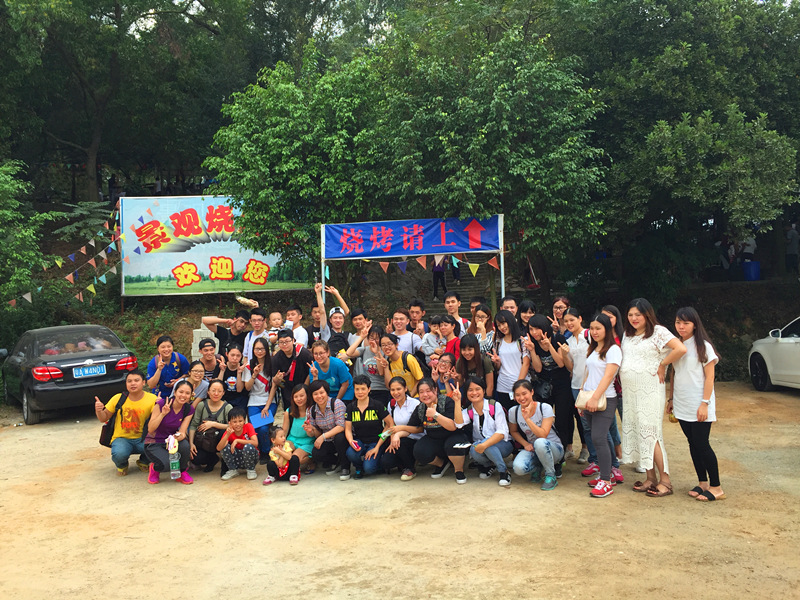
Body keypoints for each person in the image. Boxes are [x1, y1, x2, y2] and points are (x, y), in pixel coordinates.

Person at [620, 298, 687, 497]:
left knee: (651, 434)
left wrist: (663, 364)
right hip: (631, 394)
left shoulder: (658, 332)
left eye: (638, 315)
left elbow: (680, 348)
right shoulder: (627, 335)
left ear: (647, 315)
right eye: (630, 315)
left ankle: (665, 481)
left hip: (649, 392)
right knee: (640, 433)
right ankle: (650, 478)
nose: (633, 318)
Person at [669, 307, 725, 502]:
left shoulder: (704, 346)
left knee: (702, 444)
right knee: (692, 443)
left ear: (695, 324)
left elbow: (710, 377)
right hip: (682, 402)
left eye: (686, 323)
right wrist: (671, 399)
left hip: (699, 402)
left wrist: (704, 403)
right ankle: (703, 482)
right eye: (678, 322)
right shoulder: (677, 345)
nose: (681, 326)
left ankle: (716, 487)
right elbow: (674, 373)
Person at [526, 314, 581, 462]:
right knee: (544, 418)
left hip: (562, 385)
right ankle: (546, 451)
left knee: (562, 419)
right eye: (531, 329)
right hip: (544, 386)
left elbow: (561, 363)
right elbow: (538, 368)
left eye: (537, 328)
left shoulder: (559, 339)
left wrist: (549, 346)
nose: (534, 332)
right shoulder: (533, 343)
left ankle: (561, 453)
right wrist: (532, 350)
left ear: (545, 328)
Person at [579, 313, 623, 498]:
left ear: (607, 329)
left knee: (599, 437)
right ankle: (605, 475)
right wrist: (583, 396)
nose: (595, 332)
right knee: (600, 439)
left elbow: (608, 377)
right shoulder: (593, 348)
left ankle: (606, 481)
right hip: (589, 398)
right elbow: (588, 374)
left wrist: (595, 398)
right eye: (592, 328)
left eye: (599, 328)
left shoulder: (613, 349)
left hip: (605, 400)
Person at [401, 378, 469, 483]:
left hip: (453, 435)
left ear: (435, 390)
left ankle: (458, 470)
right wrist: (397, 433)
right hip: (434, 438)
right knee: (419, 451)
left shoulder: (447, 401)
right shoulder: (421, 408)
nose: (425, 395)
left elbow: (453, 427)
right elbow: (413, 427)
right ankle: (442, 464)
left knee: (453, 445)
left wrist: (435, 415)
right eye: (421, 392)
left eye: (428, 391)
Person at [94, 370, 157, 476]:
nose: (133, 383)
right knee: (119, 454)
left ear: (143, 382)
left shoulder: (152, 399)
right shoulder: (118, 398)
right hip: (122, 438)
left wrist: (160, 406)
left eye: (136, 380)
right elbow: (103, 418)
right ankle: (122, 465)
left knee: (156, 446)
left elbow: (158, 421)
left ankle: (144, 461)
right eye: (129, 381)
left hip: (143, 438)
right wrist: (99, 410)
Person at [509, 379, 563, 491]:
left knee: (540, 442)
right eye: (517, 395)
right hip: (533, 448)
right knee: (518, 468)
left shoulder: (544, 408)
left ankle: (550, 475)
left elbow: (543, 435)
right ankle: (538, 467)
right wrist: (525, 444)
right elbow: (513, 431)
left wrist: (527, 419)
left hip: (554, 448)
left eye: (524, 393)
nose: (521, 398)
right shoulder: (513, 411)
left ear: (532, 392)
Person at [559, 308, 595, 467]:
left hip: (592, 386)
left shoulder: (590, 334)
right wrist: (565, 354)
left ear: (580, 318)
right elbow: (570, 368)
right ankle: (594, 459)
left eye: (571, 320)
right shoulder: (569, 341)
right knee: (586, 424)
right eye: (566, 321)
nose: (568, 323)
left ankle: (607, 459)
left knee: (598, 424)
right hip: (576, 387)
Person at [462, 376, 513, 486]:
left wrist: (484, 444)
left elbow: (501, 433)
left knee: (487, 445)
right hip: (482, 446)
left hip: (503, 444)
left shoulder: (494, 405)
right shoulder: (469, 410)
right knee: (473, 449)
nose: (474, 393)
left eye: (477, 389)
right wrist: (457, 402)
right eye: (470, 390)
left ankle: (503, 471)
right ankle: (490, 465)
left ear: (484, 390)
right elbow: (457, 424)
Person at [144, 380, 195, 485]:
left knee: (185, 445)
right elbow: (150, 429)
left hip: (171, 441)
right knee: (166, 465)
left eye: (187, 393)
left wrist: (174, 438)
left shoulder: (188, 409)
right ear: (175, 392)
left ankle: (182, 471)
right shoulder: (162, 404)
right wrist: (162, 414)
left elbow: (182, 432)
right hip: (155, 441)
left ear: (190, 395)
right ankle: (155, 468)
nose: (183, 395)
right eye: (181, 392)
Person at [344, 375, 394, 479]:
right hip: (360, 441)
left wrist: (377, 446)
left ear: (369, 389)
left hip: (376, 441)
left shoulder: (377, 405)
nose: (360, 392)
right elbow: (347, 429)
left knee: (369, 469)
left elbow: (390, 424)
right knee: (350, 452)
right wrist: (351, 441)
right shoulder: (350, 407)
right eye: (357, 389)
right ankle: (358, 468)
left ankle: (377, 463)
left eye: (363, 389)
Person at [237, 337, 276, 463]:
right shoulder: (249, 366)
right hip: (253, 401)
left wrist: (267, 406)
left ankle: (265, 452)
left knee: (264, 428)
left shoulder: (272, 364)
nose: (259, 351)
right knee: (255, 428)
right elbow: (247, 387)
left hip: (270, 401)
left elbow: (274, 388)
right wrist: (254, 375)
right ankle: (259, 449)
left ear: (267, 350)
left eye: (262, 349)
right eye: (257, 349)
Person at [304, 380, 350, 479]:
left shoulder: (337, 404)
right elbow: (315, 434)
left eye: (321, 392)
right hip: (329, 441)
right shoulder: (312, 410)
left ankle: (345, 467)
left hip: (343, 438)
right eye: (315, 394)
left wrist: (323, 437)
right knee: (316, 453)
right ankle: (337, 461)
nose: (319, 396)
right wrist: (310, 430)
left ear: (327, 392)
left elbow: (341, 426)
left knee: (339, 438)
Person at [380, 377, 422, 480]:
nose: (396, 392)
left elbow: (420, 429)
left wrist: (398, 432)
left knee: (401, 443)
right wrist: (379, 443)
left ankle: (410, 469)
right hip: (397, 438)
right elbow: (390, 425)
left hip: (415, 437)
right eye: (392, 390)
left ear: (405, 389)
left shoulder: (415, 404)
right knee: (386, 462)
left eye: (399, 389)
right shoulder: (392, 404)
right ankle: (404, 463)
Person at [490, 310, 530, 412]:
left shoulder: (522, 341)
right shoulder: (498, 342)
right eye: (499, 325)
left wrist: (518, 386)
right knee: (507, 416)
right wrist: (497, 362)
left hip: (521, 386)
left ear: (510, 321)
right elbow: (498, 367)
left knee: (524, 415)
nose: (502, 327)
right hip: (503, 386)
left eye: (503, 323)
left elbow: (526, 363)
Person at [188, 379, 232, 472]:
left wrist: (214, 424)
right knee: (196, 458)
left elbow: (232, 427)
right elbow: (193, 425)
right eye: (213, 390)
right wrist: (191, 444)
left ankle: (225, 464)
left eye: (219, 391)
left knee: (224, 433)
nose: (216, 393)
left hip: (220, 441)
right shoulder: (201, 405)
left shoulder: (227, 407)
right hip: (204, 441)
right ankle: (212, 459)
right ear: (208, 392)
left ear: (223, 393)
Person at [346, 323, 391, 403]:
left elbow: (381, 372)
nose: (374, 341)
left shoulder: (385, 352)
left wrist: (377, 353)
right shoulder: (364, 350)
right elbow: (349, 353)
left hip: (381, 390)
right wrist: (361, 337)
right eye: (371, 338)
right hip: (365, 389)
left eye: (377, 338)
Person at [271, 329, 313, 410]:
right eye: (281, 342)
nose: (284, 344)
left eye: (287, 341)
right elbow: (275, 380)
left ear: (293, 340)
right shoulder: (276, 359)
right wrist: (277, 379)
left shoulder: (304, 353)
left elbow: (310, 372)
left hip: (305, 388)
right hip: (288, 392)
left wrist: (304, 389)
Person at [217, 407, 259, 481]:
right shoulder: (229, 431)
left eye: (240, 421)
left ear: (244, 420)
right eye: (234, 422)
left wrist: (237, 440)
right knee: (225, 446)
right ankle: (232, 470)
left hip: (250, 457)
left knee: (248, 446)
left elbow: (255, 443)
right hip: (237, 458)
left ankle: (251, 470)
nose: (238, 424)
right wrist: (227, 435)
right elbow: (219, 448)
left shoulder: (248, 426)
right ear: (229, 423)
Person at [282, 384, 315, 473]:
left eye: (301, 396)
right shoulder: (289, 411)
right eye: (296, 396)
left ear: (307, 396)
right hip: (292, 440)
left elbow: (314, 433)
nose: (299, 399)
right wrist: (279, 443)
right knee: (281, 454)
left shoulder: (313, 411)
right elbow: (284, 430)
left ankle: (311, 460)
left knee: (295, 459)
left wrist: (310, 430)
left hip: (307, 442)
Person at [219, 344, 248, 410]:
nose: (235, 358)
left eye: (238, 356)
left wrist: (239, 373)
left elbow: (239, 390)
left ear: (242, 356)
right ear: (227, 354)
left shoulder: (244, 368)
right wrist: (222, 371)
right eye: (232, 355)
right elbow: (217, 386)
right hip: (223, 399)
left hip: (239, 400)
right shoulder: (220, 366)